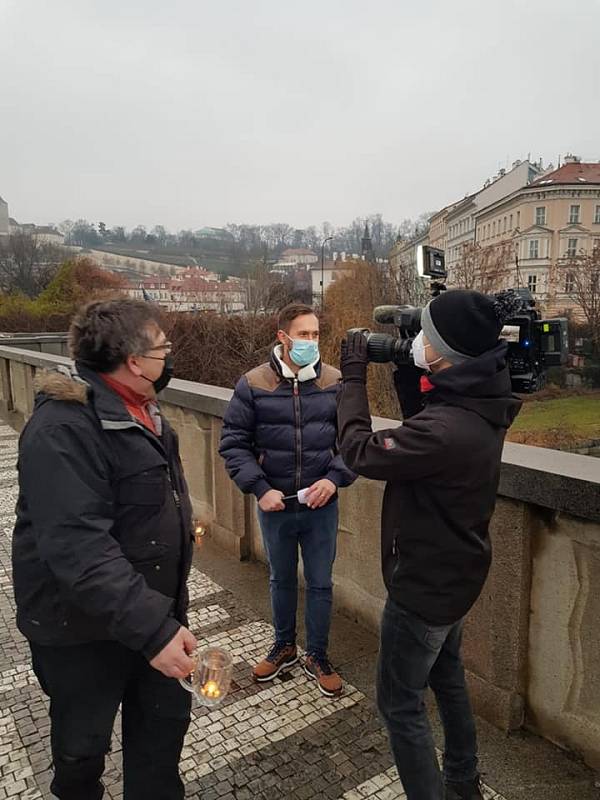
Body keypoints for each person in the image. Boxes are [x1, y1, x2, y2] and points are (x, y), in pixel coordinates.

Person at [337, 289, 522, 800]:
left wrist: (352, 376)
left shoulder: (446, 431)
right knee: (448, 679)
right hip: (458, 574)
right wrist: (403, 371)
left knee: (400, 705)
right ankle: (462, 781)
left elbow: (359, 450)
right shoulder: (483, 400)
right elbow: (433, 413)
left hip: (422, 588)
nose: (417, 343)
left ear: (443, 354)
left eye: (424, 338)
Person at [12, 299, 197, 800]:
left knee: (161, 744)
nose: (169, 357)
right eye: (163, 348)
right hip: (80, 634)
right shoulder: (63, 429)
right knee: (82, 749)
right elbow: (78, 549)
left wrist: (165, 617)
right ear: (135, 361)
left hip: (150, 614)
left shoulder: (144, 410)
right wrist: (156, 631)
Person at [219, 303, 355, 697]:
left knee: (320, 583)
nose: (311, 342)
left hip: (320, 507)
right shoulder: (254, 383)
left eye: (316, 335)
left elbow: (353, 442)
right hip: (277, 505)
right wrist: (260, 489)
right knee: (280, 579)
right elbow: (233, 444)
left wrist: (334, 479)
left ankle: (317, 654)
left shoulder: (334, 381)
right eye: (304, 334)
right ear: (283, 337)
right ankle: (284, 646)